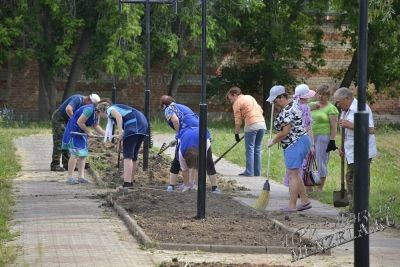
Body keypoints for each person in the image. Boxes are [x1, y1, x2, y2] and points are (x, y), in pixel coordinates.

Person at [160, 95, 220, 193]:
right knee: (208, 161)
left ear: (163, 105)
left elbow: (175, 120)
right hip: (203, 132)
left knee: (177, 160)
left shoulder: (168, 109)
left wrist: (178, 133)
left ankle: (172, 186)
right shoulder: (183, 107)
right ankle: (215, 188)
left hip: (185, 133)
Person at [267, 85, 312, 212]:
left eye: (275, 101)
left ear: (281, 98)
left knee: (292, 174)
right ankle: (304, 201)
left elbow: (285, 132)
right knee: (295, 173)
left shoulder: (287, 110)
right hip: (301, 141)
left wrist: (273, 141)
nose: (274, 104)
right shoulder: (293, 105)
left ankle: (292, 205)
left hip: (295, 143)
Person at [333, 87, 377, 212]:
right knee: (350, 177)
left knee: (359, 179)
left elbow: (371, 129)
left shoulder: (361, 108)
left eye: (339, 101)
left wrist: (351, 125)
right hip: (351, 150)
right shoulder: (344, 110)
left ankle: (361, 209)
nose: (337, 104)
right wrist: (342, 146)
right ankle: (354, 209)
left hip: (363, 151)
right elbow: (345, 131)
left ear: (347, 98)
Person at [97, 101, 149, 188]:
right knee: (134, 157)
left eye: (98, 113)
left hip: (133, 124)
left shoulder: (110, 109)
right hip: (143, 124)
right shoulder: (117, 108)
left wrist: (121, 133)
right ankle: (130, 182)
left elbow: (119, 117)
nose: (99, 116)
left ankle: (127, 184)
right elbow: (122, 121)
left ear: (100, 110)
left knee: (128, 156)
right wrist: (120, 142)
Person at [51, 93, 100, 171]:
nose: (92, 106)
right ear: (89, 100)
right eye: (92, 104)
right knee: (59, 140)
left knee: (68, 140)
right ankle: (55, 164)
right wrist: (75, 121)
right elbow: (68, 109)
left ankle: (67, 164)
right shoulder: (78, 99)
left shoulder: (85, 105)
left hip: (68, 120)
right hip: (60, 118)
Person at [226, 87, 266, 177]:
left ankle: (249, 172)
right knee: (257, 149)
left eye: (231, 98)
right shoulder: (250, 97)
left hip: (251, 125)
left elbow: (238, 121)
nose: (231, 101)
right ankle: (257, 172)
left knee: (250, 149)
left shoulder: (237, 103)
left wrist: (236, 134)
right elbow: (261, 110)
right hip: (262, 124)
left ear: (235, 95)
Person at [61, 102, 105, 184]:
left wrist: (105, 134)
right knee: (75, 153)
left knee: (83, 154)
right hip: (74, 130)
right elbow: (80, 122)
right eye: (106, 113)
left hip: (81, 131)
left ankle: (81, 177)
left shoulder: (97, 114)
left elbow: (96, 126)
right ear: (101, 110)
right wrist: (88, 132)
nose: (106, 116)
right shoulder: (89, 110)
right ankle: (70, 177)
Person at [282, 84, 316, 188]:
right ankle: (298, 189)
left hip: (291, 139)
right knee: (301, 165)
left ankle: (292, 187)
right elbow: (308, 128)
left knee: (292, 165)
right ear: (306, 97)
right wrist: (312, 145)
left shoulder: (291, 106)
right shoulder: (305, 108)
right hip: (302, 140)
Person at [310, 84, 339, 191]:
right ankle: (309, 185)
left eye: (323, 95)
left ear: (328, 96)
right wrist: (310, 108)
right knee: (309, 160)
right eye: (319, 94)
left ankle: (320, 188)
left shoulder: (331, 108)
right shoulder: (312, 105)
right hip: (310, 136)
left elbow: (334, 126)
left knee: (321, 161)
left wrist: (332, 140)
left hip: (323, 137)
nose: (320, 97)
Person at [178, 127, 215, 193]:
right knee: (185, 170)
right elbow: (185, 171)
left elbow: (200, 170)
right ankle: (187, 185)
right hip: (185, 133)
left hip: (203, 133)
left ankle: (196, 185)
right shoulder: (181, 153)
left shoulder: (204, 147)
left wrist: (196, 186)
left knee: (206, 165)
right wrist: (186, 186)